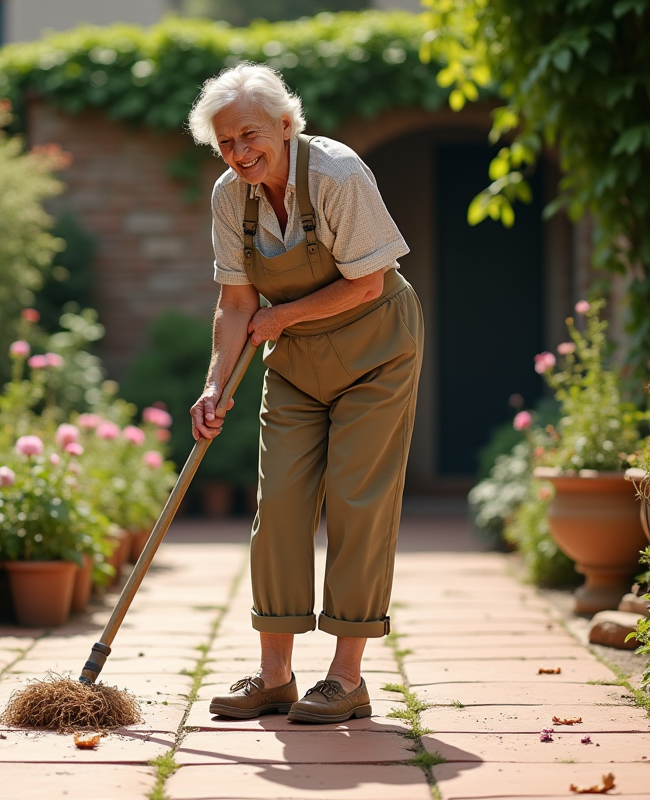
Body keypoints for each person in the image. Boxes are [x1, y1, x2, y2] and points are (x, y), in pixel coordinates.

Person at [187, 62, 424, 724]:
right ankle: (273, 677)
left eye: (250, 135)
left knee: (356, 501)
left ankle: (346, 679)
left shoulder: (339, 175)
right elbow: (236, 304)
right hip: (295, 363)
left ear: (286, 126)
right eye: (226, 142)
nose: (239, 152)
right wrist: (213, 386)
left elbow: (369, 284)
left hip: (376, 352)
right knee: (281, 505)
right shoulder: (230, 199)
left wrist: (282, 316)